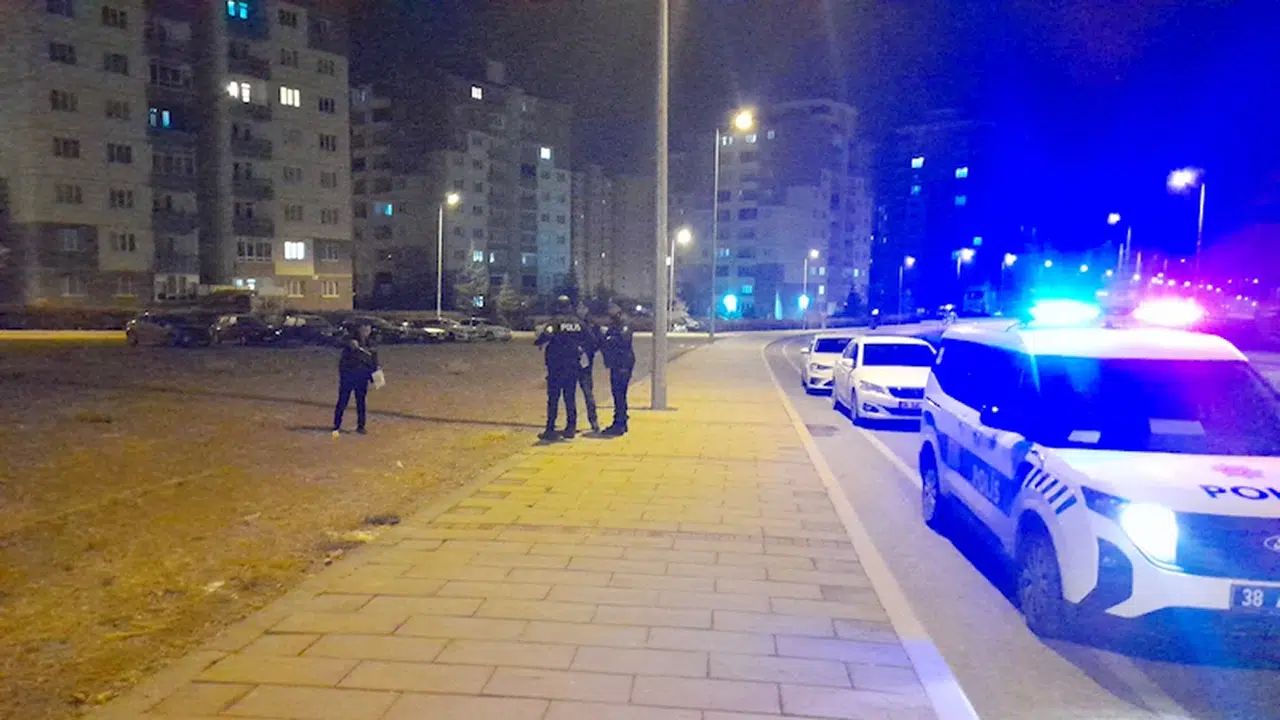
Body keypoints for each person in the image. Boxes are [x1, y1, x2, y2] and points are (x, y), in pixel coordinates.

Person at [535, 296, 588, 441]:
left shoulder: (554, 322)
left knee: (553, 399)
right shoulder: (578, 323)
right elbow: (591, 339)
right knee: (570, 397)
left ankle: (550, 429)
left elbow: (544, 337)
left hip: (556, 366)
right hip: (572, 365)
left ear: (558, 306)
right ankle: (571, 428)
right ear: (570, 306)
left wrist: (538, 341)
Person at [333, 322, 379, 435]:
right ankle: (337, 425)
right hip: (349, 376)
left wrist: (375, 377)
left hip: (362, 377)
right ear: (359, 329)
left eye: (368, 328)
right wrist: (349, 343)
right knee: (343, 401)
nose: (366, 331)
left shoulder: (371, 343)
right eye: (364, 328)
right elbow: (337, 343)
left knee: (361, 402)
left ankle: (361, 426)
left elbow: (374, 361)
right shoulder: (350, 341)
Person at [600, 306, 635, 436]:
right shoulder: (618, 325)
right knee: (618, 394)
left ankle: (619, 423)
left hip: (623, 363)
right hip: (619, 363)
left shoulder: (623, 325)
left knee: (619, 393)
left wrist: (607, 336)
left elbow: (621, 340)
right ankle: (621, 421)